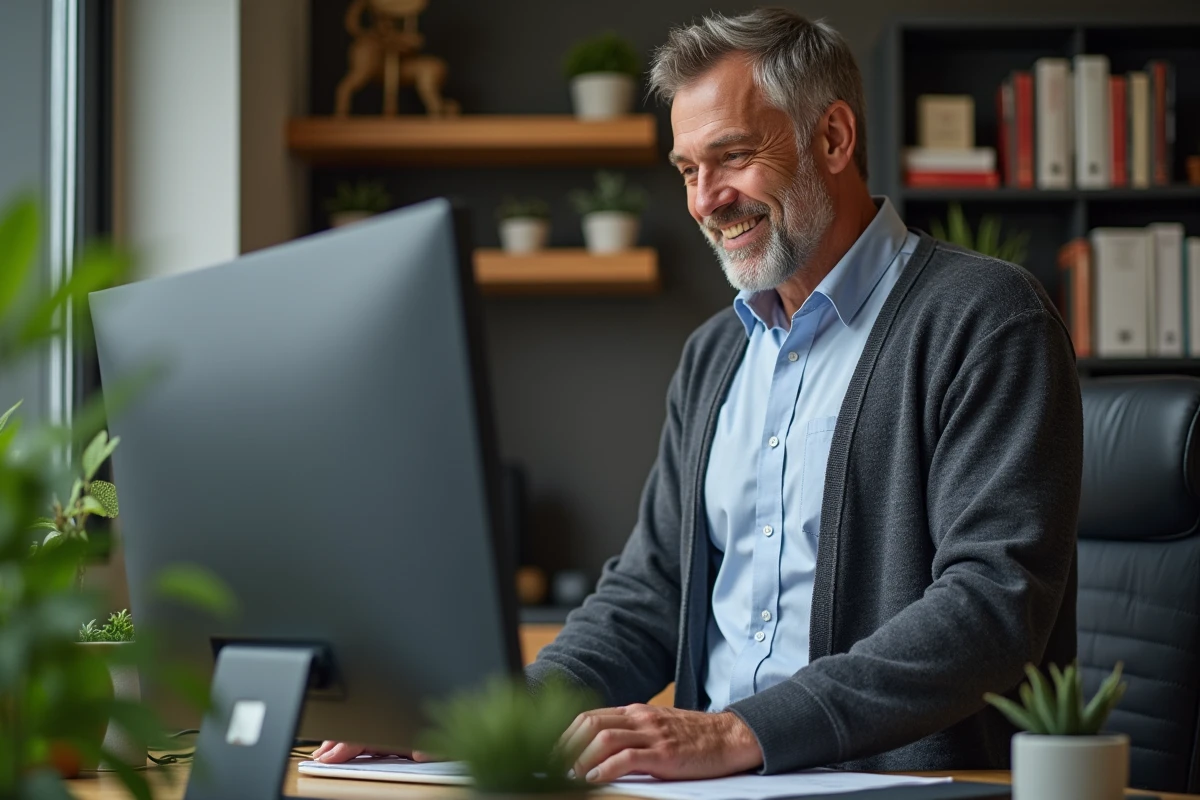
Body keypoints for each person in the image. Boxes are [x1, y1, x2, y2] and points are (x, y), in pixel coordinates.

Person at [314, 7, 1082, 781]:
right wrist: (487, 724)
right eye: (687, 170)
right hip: (709, 787)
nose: (706, 200)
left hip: (895, 783)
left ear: (834, 138)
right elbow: (650, 593)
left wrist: (739, 733)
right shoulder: (715, 353)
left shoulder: (986, 318)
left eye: (734, 157)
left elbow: (993, 603)